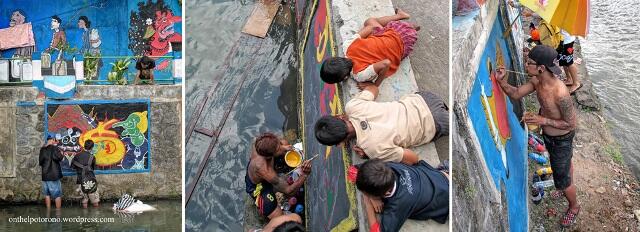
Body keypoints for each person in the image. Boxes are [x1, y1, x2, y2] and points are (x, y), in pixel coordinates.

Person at [495, 45, 578, 227]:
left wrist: (543, 120)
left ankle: (573, 206)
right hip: (549, 137)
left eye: (529, 62)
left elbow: (571, 123)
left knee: (563, 181)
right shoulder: (536, 81)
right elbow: (516, 93)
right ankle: (564, 180)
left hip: (562, 139)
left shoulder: (560, 93)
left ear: (541, 68)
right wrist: (502, 82)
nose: (526, 64)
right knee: (562, 165)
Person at [314, 83, 448, 165]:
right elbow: (373, 88)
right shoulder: (353, 106)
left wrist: (370, 156)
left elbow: (413, 159)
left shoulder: (372, 149)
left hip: (436, 123)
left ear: (340, 143)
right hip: (425, 99)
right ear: (339, 116)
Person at [320, 9, 419, 84]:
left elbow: (387, 63)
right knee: (369, 21)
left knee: (388, 36)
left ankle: (411, 28)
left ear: (344, 77)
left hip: (404, 46)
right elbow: (371, 27)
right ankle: (402, 20)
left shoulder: (359, 75)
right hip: (397, 32)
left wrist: (375, 85)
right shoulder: (347, 45)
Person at [356, 159, 449, 232]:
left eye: (366, 194)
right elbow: (352, 171)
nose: (365, 195)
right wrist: (372, 198)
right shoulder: (387, 168)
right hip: (441, 175)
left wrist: (368, 203)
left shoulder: (397, 206)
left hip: (448, 198)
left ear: (386, 194)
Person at [245, 133, 312, 220]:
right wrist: (305, 174)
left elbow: (279, 145)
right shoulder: (265, 170)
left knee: (284, 142)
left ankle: (280, 163)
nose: (281, 147)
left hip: (268, 166)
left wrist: (283, 147)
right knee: (280, 220)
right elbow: (289, 191)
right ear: (269, 156)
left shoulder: (261, 142)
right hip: (259, 188)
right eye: (277, 148)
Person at [72, 140, 100, 208]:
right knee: (95, 201)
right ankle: (95, 215)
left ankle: (85, 216)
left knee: (84, 200)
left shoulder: (77, 156)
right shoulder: (92, 157)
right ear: (92, 147)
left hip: (80, 181)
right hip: (91, 181)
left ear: (84, 146)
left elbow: (73, 167)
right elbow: (93, 169)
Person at [39, 136, 63, 209]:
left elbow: (40, 162)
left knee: (47, 194)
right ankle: (58, 214)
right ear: (52, 140)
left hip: (45, 175)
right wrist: (61, 153)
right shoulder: (55, 148)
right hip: (54, 175)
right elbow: (59, 158)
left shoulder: (42, 149)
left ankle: (48, 212)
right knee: (57, 195)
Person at [558, 29, 582, 94]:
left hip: (568, 41)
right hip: (562, 39)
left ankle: (576, 83)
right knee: (563, 61)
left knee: (569, 62)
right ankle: (569, 79)